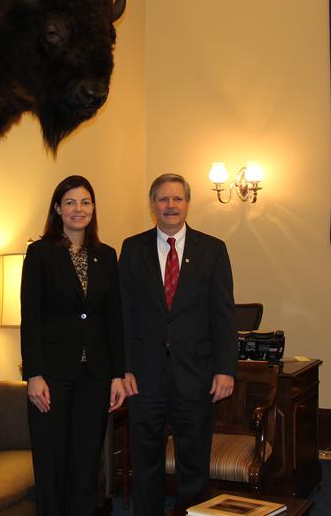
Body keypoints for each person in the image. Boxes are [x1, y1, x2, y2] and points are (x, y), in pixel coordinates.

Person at [119, 173, 237, 514]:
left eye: (177, 199)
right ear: (152, 204)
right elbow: (123, 314)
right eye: (163, 199)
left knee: (194, 464)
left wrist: (225, 369)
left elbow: (223, 315)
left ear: (187, 203)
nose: (170, 206)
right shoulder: (132, 248)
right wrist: (123, 367)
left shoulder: (213, 250)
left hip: (196, 375)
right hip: (144, 376)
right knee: (146, 462)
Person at [20, 175, 126, 516]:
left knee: (85, 463)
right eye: (70, 202)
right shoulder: (39, 253)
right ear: (57, 209)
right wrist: (34, 374)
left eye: (85, 202)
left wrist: (117, 374)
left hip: (94, 376)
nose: (78, 210)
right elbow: (30, 318)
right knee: (51, 464)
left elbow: (114, 319)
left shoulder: (106, 255)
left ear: (93, 209)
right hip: (52, 376)